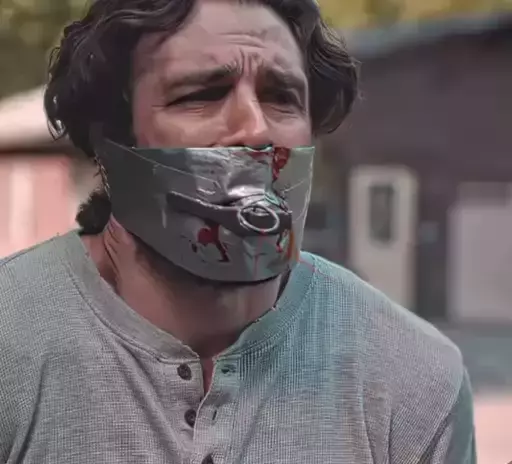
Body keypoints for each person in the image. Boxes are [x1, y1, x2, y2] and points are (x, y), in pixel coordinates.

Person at [0, 0, 476, 463]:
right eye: (201, 96)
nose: (256, 130)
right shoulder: (13, 340)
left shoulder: (411, 375)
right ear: (111, 141)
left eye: (281, 98)